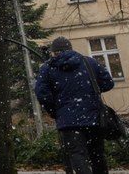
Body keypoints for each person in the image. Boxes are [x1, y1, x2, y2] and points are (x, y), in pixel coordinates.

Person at [34, 36, 115, 174]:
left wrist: (55, 110)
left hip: (68, 121)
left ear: (54, 52)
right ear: (71, 48)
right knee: (97, 155)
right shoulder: (89, 62)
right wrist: (89, 92)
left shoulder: (48, 67)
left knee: (77, 155)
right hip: (93, 117)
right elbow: (108, 82)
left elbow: (42, 93)